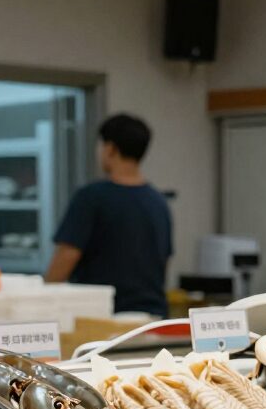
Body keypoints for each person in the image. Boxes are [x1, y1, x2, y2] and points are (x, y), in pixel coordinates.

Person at [46, 112, 173, 315]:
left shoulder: (91, 197)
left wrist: (42, 303)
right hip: (153, 316)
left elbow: (64, 259)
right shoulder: (158, 201)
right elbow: (164, 262)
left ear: (110, 149)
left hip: (104, 319)